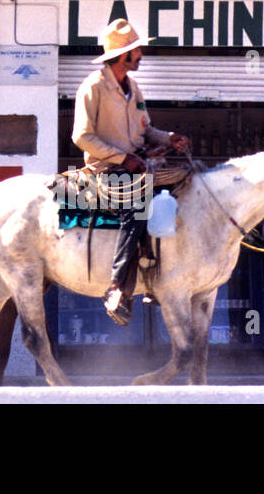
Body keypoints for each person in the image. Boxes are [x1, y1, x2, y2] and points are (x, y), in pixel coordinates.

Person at [72, 19, 188, 326]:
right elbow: (81, 137)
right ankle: (116, 288)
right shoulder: (93, 87)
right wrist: (123, 158)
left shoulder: (133, 87)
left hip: (136, 164)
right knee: (137, 205)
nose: (141, 55)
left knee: (183, 189)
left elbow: (146, 129)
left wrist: (169, 138)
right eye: (137, 51)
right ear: (123, 55)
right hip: (105, 169)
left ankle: (155, 275)